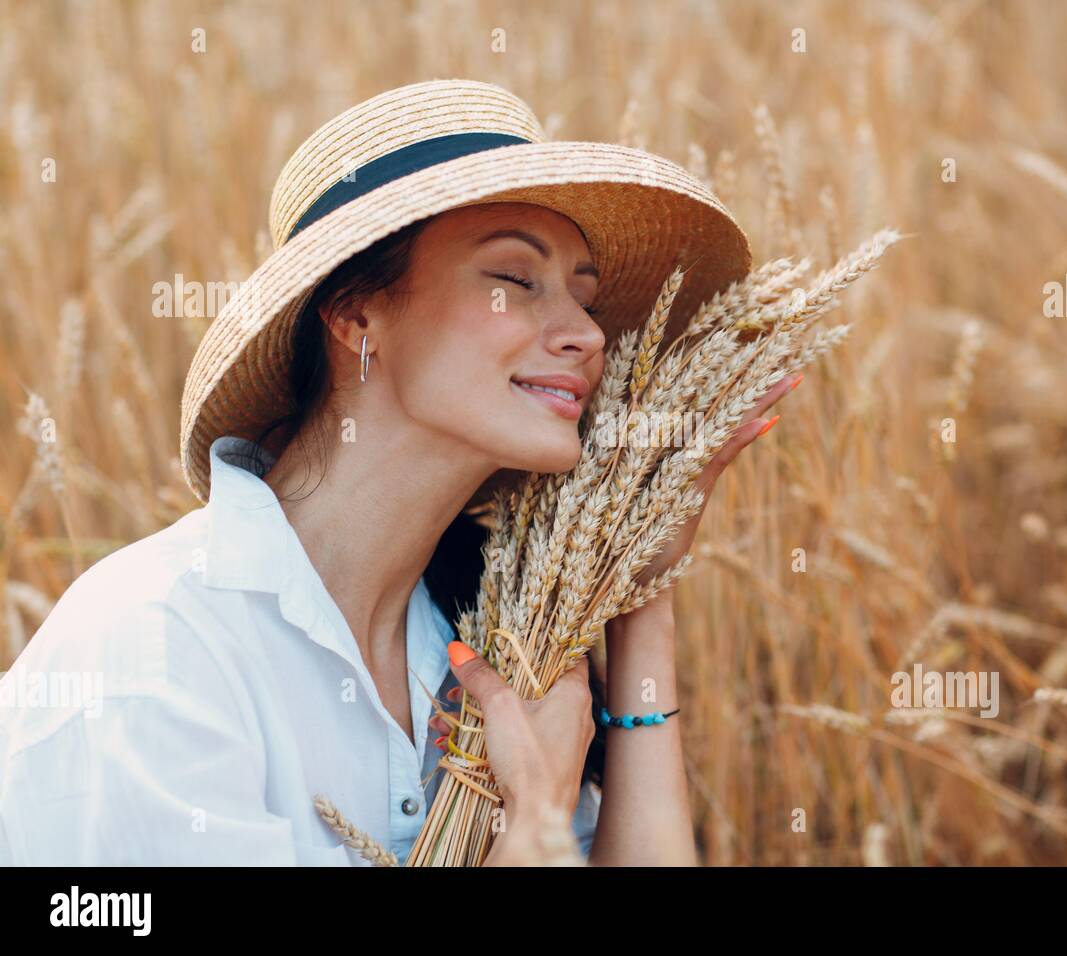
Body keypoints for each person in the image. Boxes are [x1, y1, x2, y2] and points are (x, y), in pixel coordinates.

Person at [0, 78, 794, 865]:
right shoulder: (159, 650)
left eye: (583, 298)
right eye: (516, 280)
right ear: (357, 317)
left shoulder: (489, 633)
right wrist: (532, 832)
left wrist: (639, 595)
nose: (586, 333)